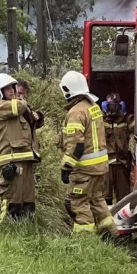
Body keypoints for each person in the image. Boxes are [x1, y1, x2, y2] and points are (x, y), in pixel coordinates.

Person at [58, 70, 117, 236]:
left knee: (76, 202)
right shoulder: (93, 107)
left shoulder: (76, 112)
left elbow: (76, 145)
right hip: (100, 168)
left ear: (67, 89)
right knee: (97, 200)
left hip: (84, 170)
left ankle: (85, 241)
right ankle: (111, 236)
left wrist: (66, 167)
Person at [0, 74, 40, 221]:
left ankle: (25, 231)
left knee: (28, 199)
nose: (13, 91)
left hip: (25, 157)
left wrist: (37, 117)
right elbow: (20, 106)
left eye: (13, 87)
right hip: (10, 159)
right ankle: (5, 231)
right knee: (12, 199)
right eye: (8, 88)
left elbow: (30, 124)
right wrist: (22, 101)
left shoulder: (15, 106)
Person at [103, 92, 134, 205]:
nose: (113, 108)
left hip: (122, 162)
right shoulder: (101, 120)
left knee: (124, 198)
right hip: (106, 164)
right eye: (110, 104)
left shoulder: (127, 119)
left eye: (116, 104)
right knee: (104, 197)